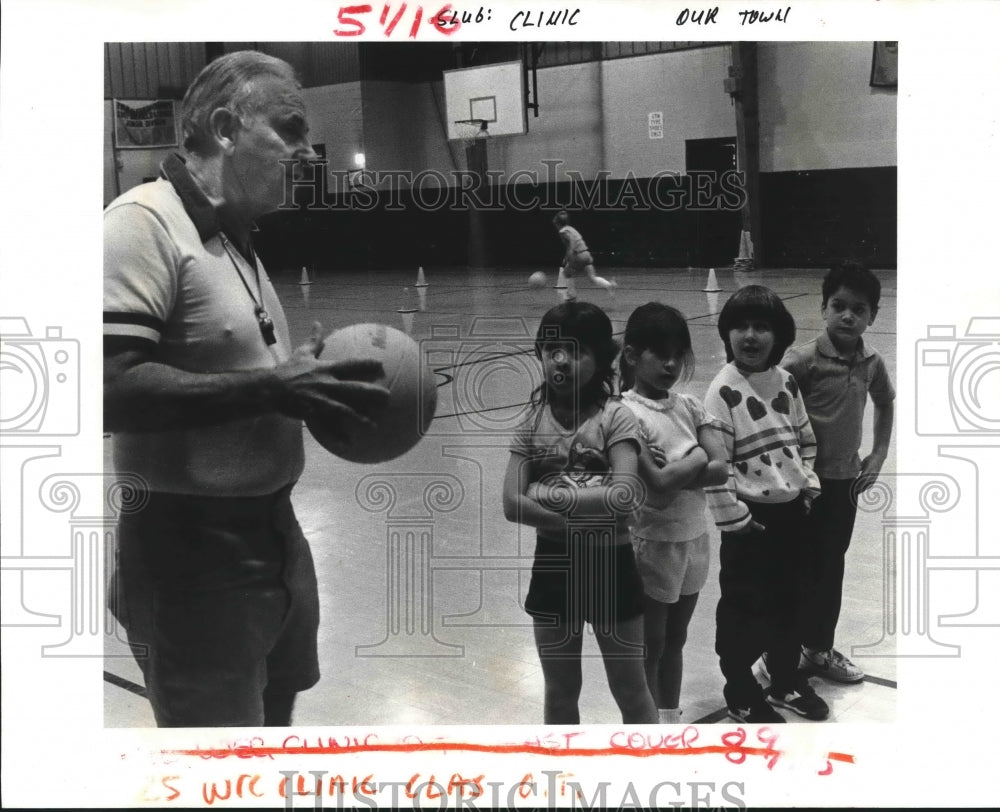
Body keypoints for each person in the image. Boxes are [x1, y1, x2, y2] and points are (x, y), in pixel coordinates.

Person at [103, 50, 390, 727]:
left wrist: (300, 378)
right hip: (190, 552)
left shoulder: (235, 241)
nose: (308, 152)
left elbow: (235, 370)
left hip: (275, 533)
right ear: (227, 128)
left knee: (271, 734)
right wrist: (269, 389)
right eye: (289, 129)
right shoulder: (139, 225)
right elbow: (108, 389)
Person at [502, 301, 657, 724]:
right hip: (554, 566)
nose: (562, 360)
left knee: (630, 687)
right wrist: (584, 510)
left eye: (576, 351)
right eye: (552, 349)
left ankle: (651, 771)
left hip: (612, 563)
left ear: (600, 359)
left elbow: (625, 493)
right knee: (560, 690)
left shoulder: (616, 417)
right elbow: (512, 504)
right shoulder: (531, 422)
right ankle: (564, 778)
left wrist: (544, 489)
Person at [703, 285, 828, 723]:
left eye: (762, 327)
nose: (750, 335)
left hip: (792, 514)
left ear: (780, 336)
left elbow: (805, 439)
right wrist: (734, 520)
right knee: (744, 608)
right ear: (726, 333)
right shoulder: (722, 392)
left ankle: (784, 679)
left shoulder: (787, 382)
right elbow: (714, 469)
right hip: (749, 524)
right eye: (740, 326)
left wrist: (807, 487)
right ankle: (740, 687)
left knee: (790, 600)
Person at [780, 261, 895, 683]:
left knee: (831, 568)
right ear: (824, 308)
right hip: (802, 486)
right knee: (796, 567)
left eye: (859, 309)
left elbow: (885, 402)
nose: (848, 316)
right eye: (839, 306)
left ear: (872, 316)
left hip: (845, 482)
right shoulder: (802, 361)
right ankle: (780, 650)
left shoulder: (872, 362)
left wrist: (878, 454)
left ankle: (818, 649)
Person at [619, 303, 728, 725]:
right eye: (658, 353)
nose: (670, 363)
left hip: (695, 540)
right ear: (631, 355)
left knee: (677, 638)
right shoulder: (625, 413)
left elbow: (721, 468)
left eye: (678, 354)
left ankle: (669, 717)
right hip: (652, 544)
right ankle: (643, 727)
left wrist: (679, 466)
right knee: (653, 642)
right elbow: (658, 492)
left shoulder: (690, 405)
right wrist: (697, 454)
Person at [552, 210, 616, 300]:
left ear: (558, 224)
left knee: (567, 273)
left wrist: (569, 256)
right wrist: (567, 256)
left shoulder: (562, 231)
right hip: (586, 254)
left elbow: (571, 242)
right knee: (592, 278)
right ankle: (609, 285)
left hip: (578, 256)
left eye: (556, 224)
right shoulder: (571, 228)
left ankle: (571, 295)